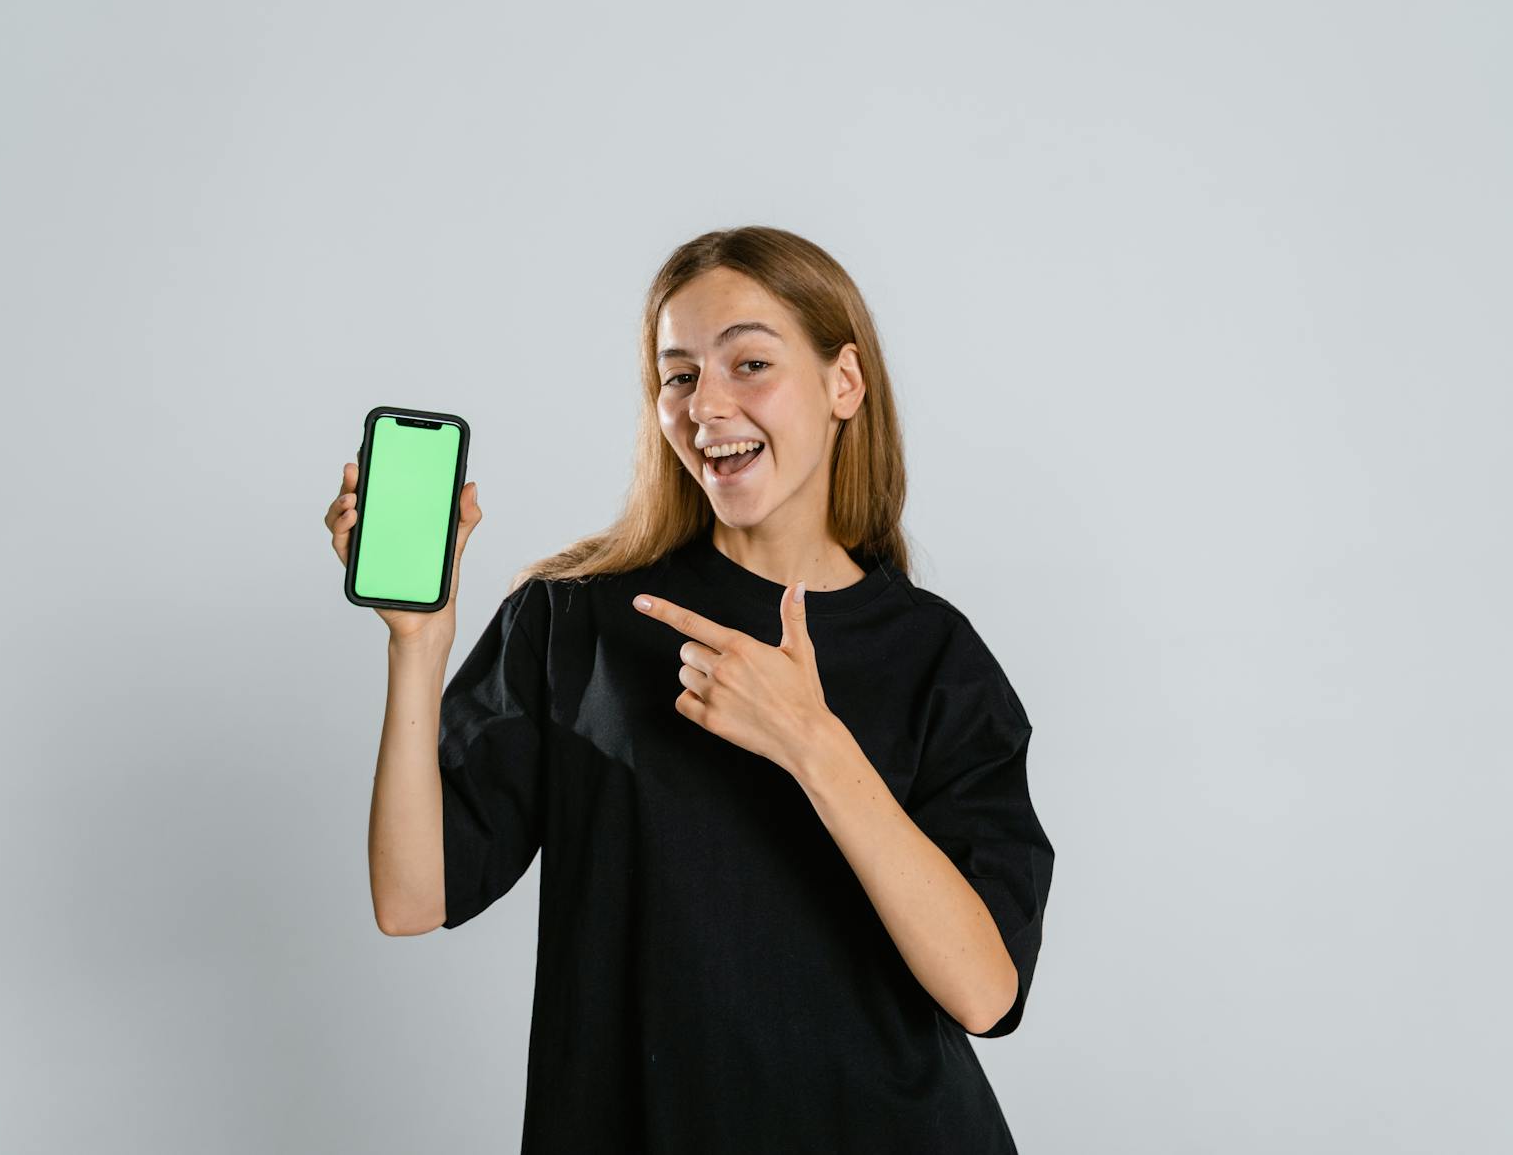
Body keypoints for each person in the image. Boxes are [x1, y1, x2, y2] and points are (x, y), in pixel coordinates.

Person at [325, 226, 1055, 1153]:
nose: (706, 404)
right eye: (678, 376)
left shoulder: (936, 656)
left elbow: (986, 993)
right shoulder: (574, 619)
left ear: (844, 383)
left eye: (750, 363)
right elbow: (411, 897)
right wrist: (419, 647)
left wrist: (812, 742)